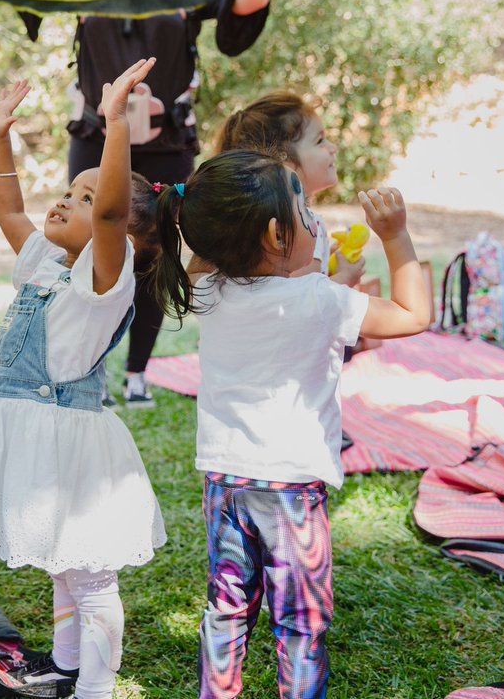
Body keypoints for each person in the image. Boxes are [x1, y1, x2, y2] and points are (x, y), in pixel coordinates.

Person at [0, 60, 167, 699]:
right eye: (71, 188)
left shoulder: (102, 280)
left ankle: (96, 685)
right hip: (34, 435)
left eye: (86, 197)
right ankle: (64, 667)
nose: (67, 199)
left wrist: (115, 129)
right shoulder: (44, 263)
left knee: (89, 577)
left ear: (128, 240)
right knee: (62, 568)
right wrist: (0, 135)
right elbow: (9, 210)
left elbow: (112, 216)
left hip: (73, 449)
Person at [150, 152, 430, 699]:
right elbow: (413, 314)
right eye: (304, 210)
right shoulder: (320, 301)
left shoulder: (209, 291)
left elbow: (238, 264)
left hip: (225, 481)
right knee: (300, 624)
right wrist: (395, 236)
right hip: (292, 491)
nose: (315, 219)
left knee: (226, 611)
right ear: (277, 236)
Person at [25, 0, 271, 406]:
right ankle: (87, 370)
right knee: (86, 253)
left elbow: (243, 9)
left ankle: (137, 372)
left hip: (167, 142)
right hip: (94, 135)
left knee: (156, 253)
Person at [214, 90, 366, 286]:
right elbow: (302, 299)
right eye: (319, 141)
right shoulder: (303, 228)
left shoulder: (259, 224)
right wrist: (346, 278)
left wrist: (326, 259)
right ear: (283, 162)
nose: (332, 147)